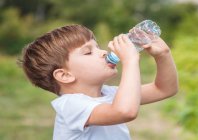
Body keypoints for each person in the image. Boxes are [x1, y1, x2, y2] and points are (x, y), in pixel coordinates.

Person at [19, 24, 178, 140]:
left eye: (97, 47)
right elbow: (124, 112)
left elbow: (164, 89)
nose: (102, 52)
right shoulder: (70, 105)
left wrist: (163, 55)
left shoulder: (109, 94)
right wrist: (130, 61)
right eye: (88, 52)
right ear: (65, 75)